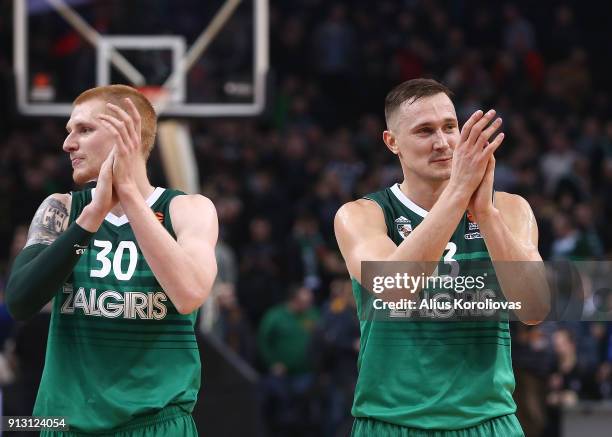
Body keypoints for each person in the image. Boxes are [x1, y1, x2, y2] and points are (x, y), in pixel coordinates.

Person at [334, 78, 549, 436]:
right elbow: (396, 288)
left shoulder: (509, 209)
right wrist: (459, 192)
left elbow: (536, 308)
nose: (443, 142)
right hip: (392, 422)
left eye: (450, 127)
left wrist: (485, 214)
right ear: (393, 143)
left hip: (487, 420)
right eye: (424, 131)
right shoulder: (361, 214)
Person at [6, 84, 218, 436]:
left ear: (128, 135)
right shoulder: (62, 209)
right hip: (66, 423)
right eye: (69, 131)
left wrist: (130, 197)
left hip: (156, 421)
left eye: (84, 130)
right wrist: (91, 218)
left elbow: (189, 293)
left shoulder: (188, 209)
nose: (67, 144)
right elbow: (20, 301)